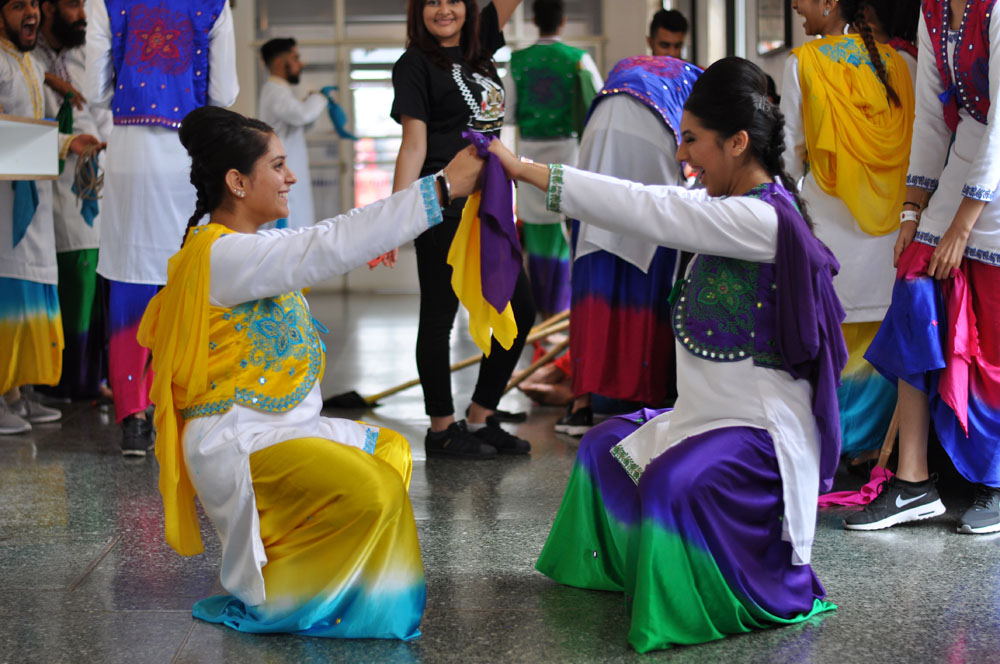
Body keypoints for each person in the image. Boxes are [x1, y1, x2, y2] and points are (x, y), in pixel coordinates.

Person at [488, 56, 846, 652]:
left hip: (756, 432)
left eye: (691, 140)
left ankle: (696, 598)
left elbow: (650, 206)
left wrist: (525, 170)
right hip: (700, 417)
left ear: (736, 144)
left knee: (667, 485)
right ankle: (632, 574)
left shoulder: (759, 217)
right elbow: (658, 200)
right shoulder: (729, 204)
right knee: (602, 448)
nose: (683, 155)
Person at [139, 106, 485, 637]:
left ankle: (321, 580)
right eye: (277, 166)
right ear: (237, 182)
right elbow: (323, 246)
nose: (291, 176)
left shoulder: (250, 247)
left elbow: (326, 234)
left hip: (280, 430)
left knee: (389, 454)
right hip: (241, 439)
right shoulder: (223, 256)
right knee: (375, 492)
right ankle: (307, 600)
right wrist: (439, 190)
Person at [846, 0, 1000, 534]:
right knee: (912, 286)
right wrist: (913, 210)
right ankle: (913, 483)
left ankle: (996, 483)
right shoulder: (933, 10)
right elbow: (934, 117)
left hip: (994, 178)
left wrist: (962, 226)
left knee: (996, 340)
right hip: (962, 167)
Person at [85, 0, 238, 455]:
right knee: (187, 278)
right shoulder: (213, 5)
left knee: (130, 281)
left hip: (129, 158)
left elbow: (95, 89)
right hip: (187, 157)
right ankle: (186, 405)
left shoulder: (105, 2)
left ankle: (134, 417)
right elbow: (225, 93)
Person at [390, 0, 534, 460]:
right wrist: (398, 217)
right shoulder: (414, 65)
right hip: (443, 205)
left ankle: (480, 416)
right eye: (432, 1)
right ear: (419, 11)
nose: (443, 9)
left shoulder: (478, 48)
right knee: (439, 317)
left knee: (522, 308)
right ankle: (441, 429)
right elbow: (413, 145)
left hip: (489, 203)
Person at [781, 0, 914, 460]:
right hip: (891, 232)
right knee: (878, 337)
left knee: (830, 335)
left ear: (829, 2)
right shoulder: (904, 63)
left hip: (829, 227)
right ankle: (872, 449)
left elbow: (786, 159)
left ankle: (830, 445)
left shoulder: (801, 64)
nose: (796, 4)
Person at [554, 55, 701, 436]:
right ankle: (647, 401)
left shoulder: (626, 72)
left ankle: (581, 404)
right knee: (651, 272)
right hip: (654, 149)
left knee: (592, 276)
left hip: (597, 148)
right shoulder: (694, 82)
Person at [0, 0, 101, 434]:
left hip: (32, 193)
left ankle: (17, 392)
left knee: (31, 293)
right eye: (17, 5)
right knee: (10, 298)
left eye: (32, 6)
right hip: (5, 202)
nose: (31, 15)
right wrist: (64, 146)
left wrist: (69, 142)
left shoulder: (24, 62)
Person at [502, 0, 602, 318]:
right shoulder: (578, 60)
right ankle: (564, 315)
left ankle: (544, 314)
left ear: (533, 20)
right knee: (568, 236)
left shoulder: (517, 62)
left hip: (528, 159)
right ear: (562, 22)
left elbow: (504, 114)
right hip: (570, 156)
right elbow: (598, 106)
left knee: (537, 239)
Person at [35, 0, 113, 400]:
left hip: (88, 182)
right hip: (43, 185)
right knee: (65, 278)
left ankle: (87, 379)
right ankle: (57, 382)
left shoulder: (83, 55)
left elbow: (101, 113)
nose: (82, 15)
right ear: (46, 8)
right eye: (71, 6)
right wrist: (48, 77)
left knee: (90, 276)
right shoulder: (29, 56)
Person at [258, 37, 327, 230]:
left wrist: (311, 102)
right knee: (289, 232)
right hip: (282, 176)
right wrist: (319, 97)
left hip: (289, 172)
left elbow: (302, 123)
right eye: (295, 57)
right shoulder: (274, 91)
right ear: (280, 61)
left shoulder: (282, 93)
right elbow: (301, 115)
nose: (300, 63)